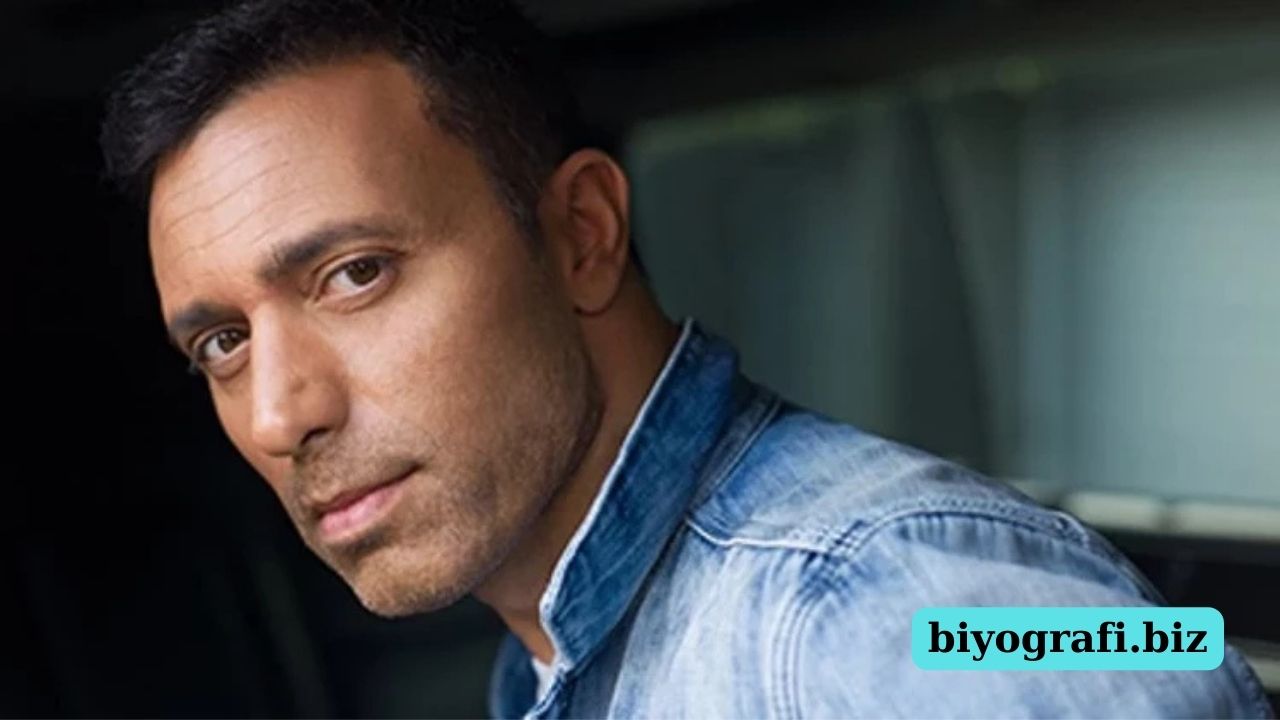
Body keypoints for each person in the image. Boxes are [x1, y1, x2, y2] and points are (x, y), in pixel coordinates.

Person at [100, 1, 1271, 717]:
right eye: (221, 342)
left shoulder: (883, 603)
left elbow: (1129, 644)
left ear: (581, 236)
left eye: (354, 273)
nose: (277, 414)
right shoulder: (552, 647)